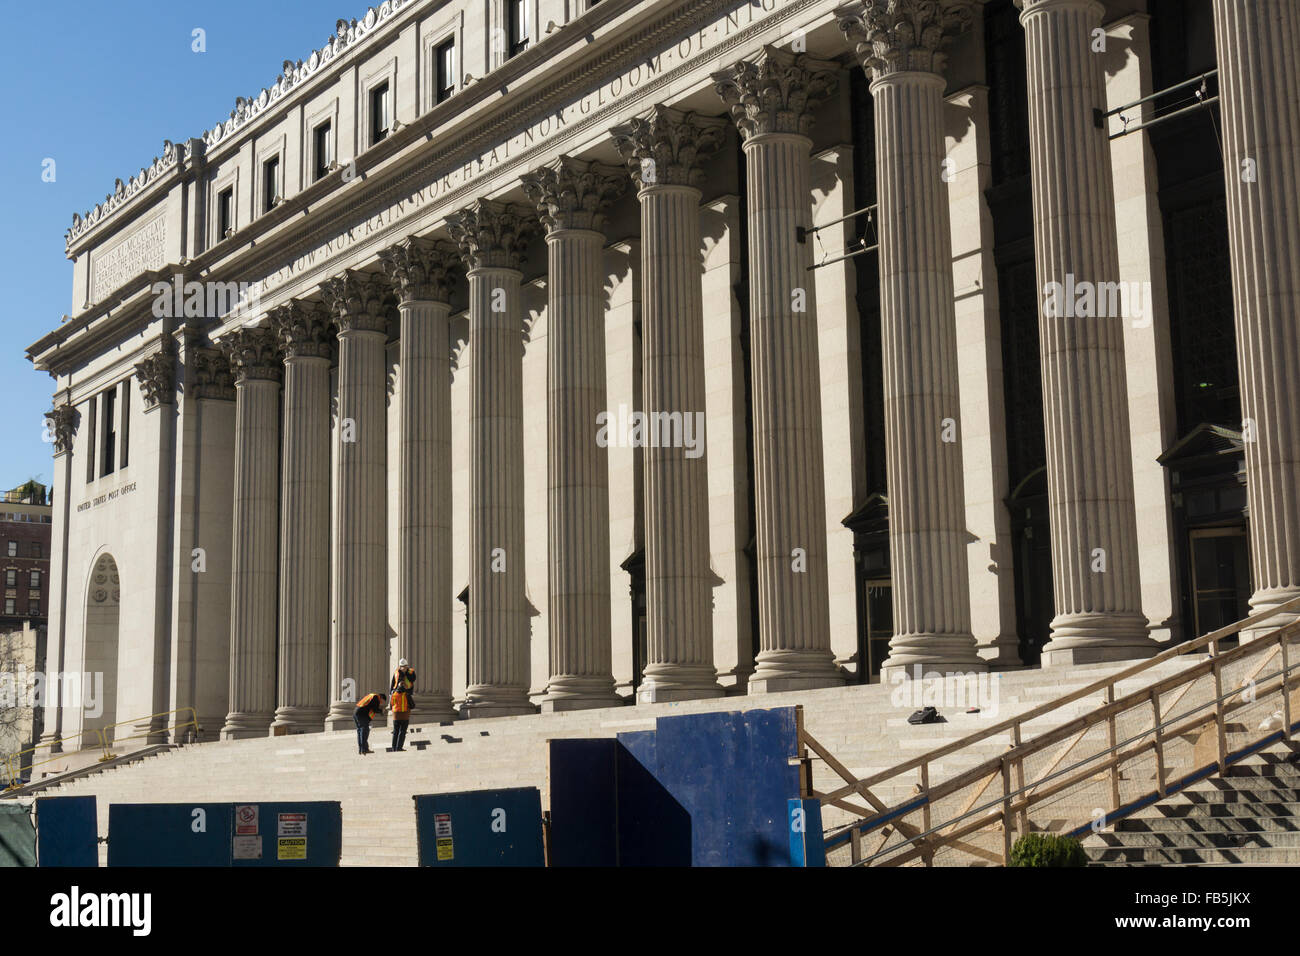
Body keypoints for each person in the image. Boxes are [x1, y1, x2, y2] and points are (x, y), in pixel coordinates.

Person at [389, 659, 416, 752]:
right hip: (404, 713)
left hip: (396, 713)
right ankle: (399, 747)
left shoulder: (394, 694)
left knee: (396, 731)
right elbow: (412, 705)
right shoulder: (406, 694)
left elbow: (391, 704)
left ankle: (394, 748)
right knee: (402, 731)